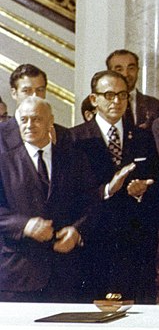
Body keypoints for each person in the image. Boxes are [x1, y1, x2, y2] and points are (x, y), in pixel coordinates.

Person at [70, 71, 159, 302]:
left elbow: (157, 182)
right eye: (109, 95)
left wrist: (142, 190)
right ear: (94, 99)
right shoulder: (75, 138)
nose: (117, 101)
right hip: (94, 241)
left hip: (135, 242)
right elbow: (72, 194)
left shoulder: (142, 136)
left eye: (122, 95)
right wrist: (109, 189)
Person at [0, 97, 94, 302]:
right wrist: (24, 225)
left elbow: (91, 205)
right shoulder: (4, 162)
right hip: (19, 276)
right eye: (23, 120)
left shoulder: (74, 159)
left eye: (36, 119)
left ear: (51, 121)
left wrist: (77, 231)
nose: (29, 125)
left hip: (65, 275)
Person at [0, 64, 71, 153]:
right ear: (14, 93)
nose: (34, 96)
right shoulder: (1, 134)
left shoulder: (63, 134)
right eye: (26, 91)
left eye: (40, 90)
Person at [106, 49, 159, 130]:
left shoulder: (154, 106)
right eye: (119, 69)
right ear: (109, 73)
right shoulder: (101, 104)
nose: (126, 74)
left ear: (137, 70)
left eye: (131, 68)